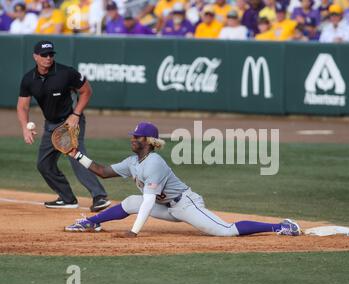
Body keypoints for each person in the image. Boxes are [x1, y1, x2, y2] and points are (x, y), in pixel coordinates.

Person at [64, 122, 301, 238]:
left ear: (148, 140)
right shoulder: (132, 162)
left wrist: (134, 231)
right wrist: (76, 154)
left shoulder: (154, 163)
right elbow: (103, 171)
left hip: (186, 204)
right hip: (168, 207)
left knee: (225, 232)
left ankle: (281, 226)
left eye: (136, 136)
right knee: (129, 202)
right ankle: (91, 222)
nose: (132, 139)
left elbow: (148, 202)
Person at [17, 40, 111, 212]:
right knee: (44, 164)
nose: (48, 58)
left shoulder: (65, 72)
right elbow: (22, 105)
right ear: (35, 57)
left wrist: (75, 114)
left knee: (76, 156)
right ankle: (67, 198)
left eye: (51, 54)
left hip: (70, 122)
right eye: (44, 55)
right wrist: (25, 127)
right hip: (50, 126)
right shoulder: (29, 79)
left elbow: (86, 91)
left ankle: (99, 196)